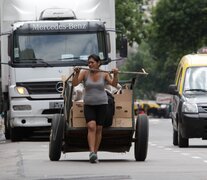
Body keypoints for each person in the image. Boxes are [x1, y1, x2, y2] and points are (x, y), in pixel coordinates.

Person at [72, 54, 118, 163]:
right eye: (89, 63)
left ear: (98, 63)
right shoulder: (84, 73)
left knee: (99, 128)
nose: (90, 64)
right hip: (89, 104)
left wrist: (115, 75)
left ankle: (95, 153)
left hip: (102, 104)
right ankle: (91, 152)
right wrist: (77, 73)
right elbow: (74, 83)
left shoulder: (104, 74)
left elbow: (114, 84)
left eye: (92, 62)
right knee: (91, 126)